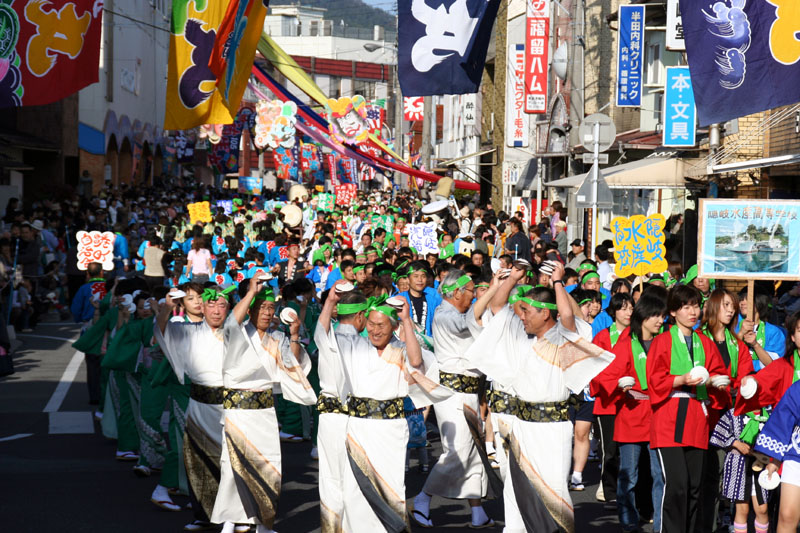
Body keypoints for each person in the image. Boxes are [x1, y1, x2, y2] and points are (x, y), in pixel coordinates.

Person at [466, 261, 614, 532]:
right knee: (515, 488)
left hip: (553, 430)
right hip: (520, 425)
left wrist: (558, 282)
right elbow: (497, 308)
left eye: (528, 312)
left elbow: (569, 318)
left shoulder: (561, 338)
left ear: (546, 314)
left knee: (553, 492)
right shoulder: (521, 335)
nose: (522, 316)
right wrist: (512, 279)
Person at [330, 288, 446, 531]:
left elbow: (416, 362)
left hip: (390, 430)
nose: (375, 330)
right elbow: (324, 336)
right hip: (358, 427)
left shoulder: (401, 349)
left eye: (382, 325)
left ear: (393, 327)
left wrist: (406, 320)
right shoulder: (356, 345)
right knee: (354, 491)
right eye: (371, 324)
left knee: (390, 488)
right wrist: (331, 300)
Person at [210, 280, 316, 533]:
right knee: (232, 468)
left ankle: (263, 522)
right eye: (262, 307)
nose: (268, 312)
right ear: (250, 310)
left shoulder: (277, 337)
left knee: (268, 466)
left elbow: (293, 365)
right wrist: (251, 293)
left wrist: (293, 334)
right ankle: (229, 521)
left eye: (271, 308)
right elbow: (229, 323)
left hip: (266, 412)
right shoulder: (237, 333)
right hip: (237, 412)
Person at [646, 284, 731, 533]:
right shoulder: (662, 341)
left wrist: (718, 382)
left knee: (695, 487)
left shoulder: (705, 342)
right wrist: (681, 379)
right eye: (685, 307)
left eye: (695, 305)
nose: (692, 311)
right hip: (669, 417)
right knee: (677, 485)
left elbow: (718, 374)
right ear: (673, 311)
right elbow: (653, 379)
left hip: (697, 416)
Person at [411, 270, 492, 529]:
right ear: (456, 292)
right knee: (456, 452)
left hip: (467, 392)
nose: (473, 295)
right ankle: (423, 499)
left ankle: (477, 512)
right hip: (452, 393)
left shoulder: (457, 314)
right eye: (471, 290)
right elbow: (469, 322)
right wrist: (493, 289)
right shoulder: (446, 315)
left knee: (474, 452)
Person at [154, 284, 236, 532]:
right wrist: (166, 309)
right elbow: (162, 331)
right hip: (199, 403)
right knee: (197, 459)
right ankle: (203, 513)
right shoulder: (184, 329)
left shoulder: (236, 331)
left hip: (229, 405)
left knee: (228, 461)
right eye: (207, 302)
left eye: (218, 303)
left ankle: (232, 516)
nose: (209, 306)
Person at [594, 293, 667, 532]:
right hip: (632, 412)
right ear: (644, 316)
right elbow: (604, 375)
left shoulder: (665, 342)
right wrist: (617, 384)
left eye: (663, 315)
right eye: (656, 315)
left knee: (660, 476)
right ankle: (628, 522)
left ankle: (659, 524)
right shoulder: (625, 344)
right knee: (629, 475)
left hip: (658, 414)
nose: (660, 320)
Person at [589, 292, 634, 504]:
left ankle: (624, 489)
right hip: (607, 400)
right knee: (610, 449)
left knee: (630, 449)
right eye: (623, 308)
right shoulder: (602, 337)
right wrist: (613, 382)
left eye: (631, 308)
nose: (628, 312)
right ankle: (609, 491)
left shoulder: (637, 336)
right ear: (614, 311)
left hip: (630, 400)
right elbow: (594, 367)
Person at [754, 380, 800, 533]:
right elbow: (783, 418)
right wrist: (774, 459)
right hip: (796, 454)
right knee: (787, 515)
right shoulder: (798, 388)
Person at [70, 262, 107, 405]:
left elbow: (76, 308)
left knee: (92, 362)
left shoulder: (84, 289)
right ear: (102, 272)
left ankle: (94, 396)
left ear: (87, 274)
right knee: (106, 361)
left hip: (89, 327)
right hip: (107, 327)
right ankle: (107, 393)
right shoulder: (109, 287)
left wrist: (79, 319)